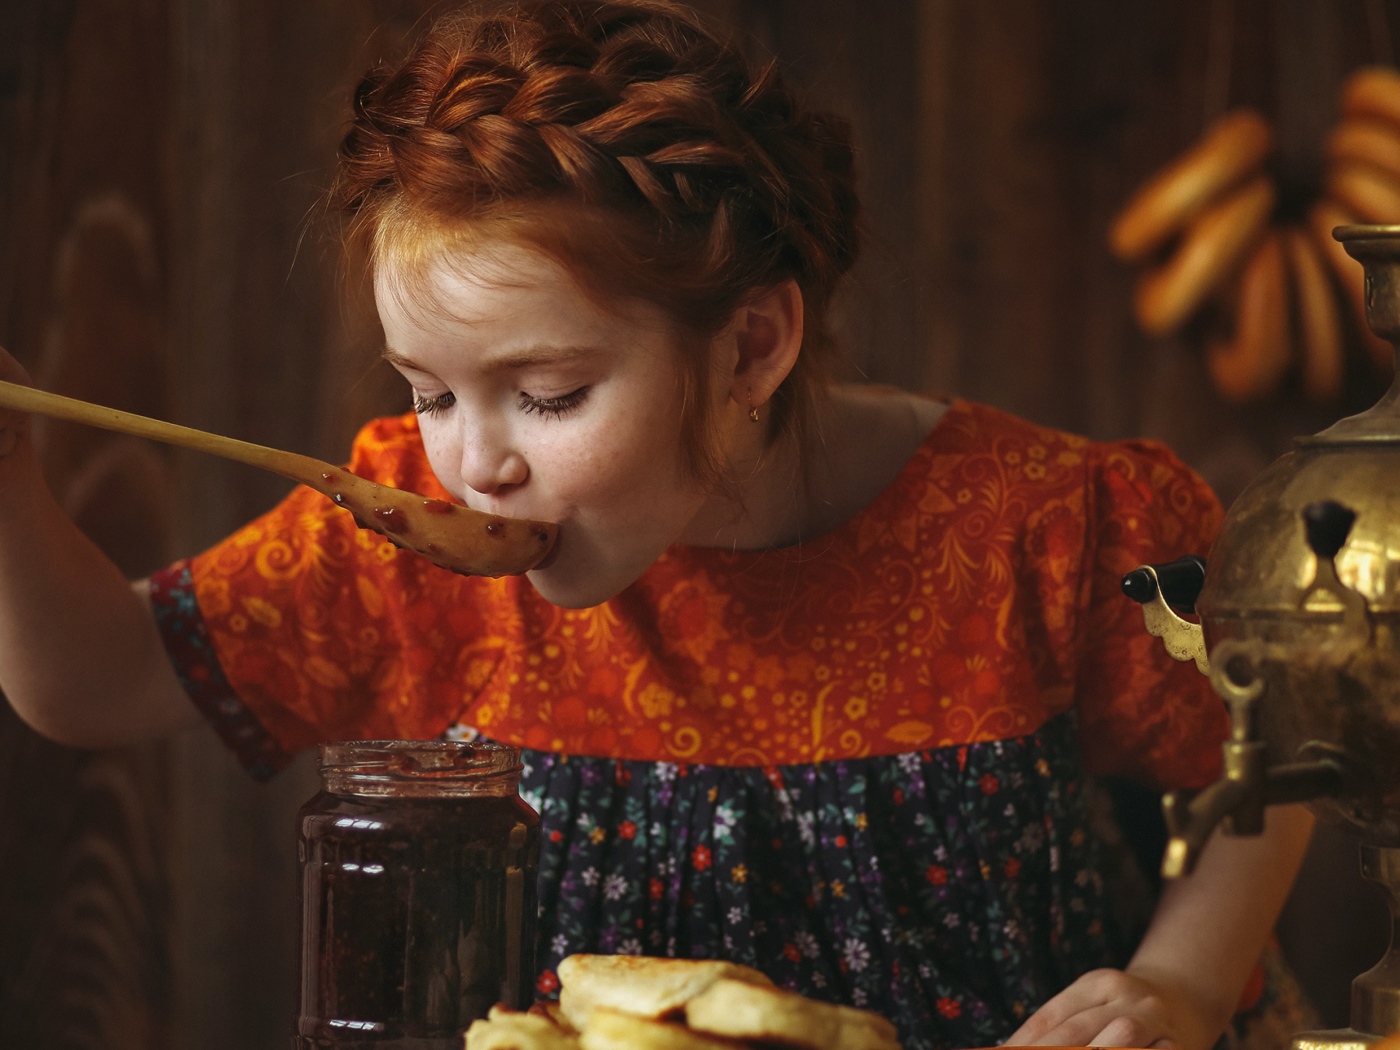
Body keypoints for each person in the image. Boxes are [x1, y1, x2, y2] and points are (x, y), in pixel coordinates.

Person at [0, 2, 1314, 1048]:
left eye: (551, 393)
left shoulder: (1046, 528)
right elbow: (95, 678)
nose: (475, 463)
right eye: (430, 391)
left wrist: (1182, 984)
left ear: (752, 343)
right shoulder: (402, 535)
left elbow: (1277, 749)